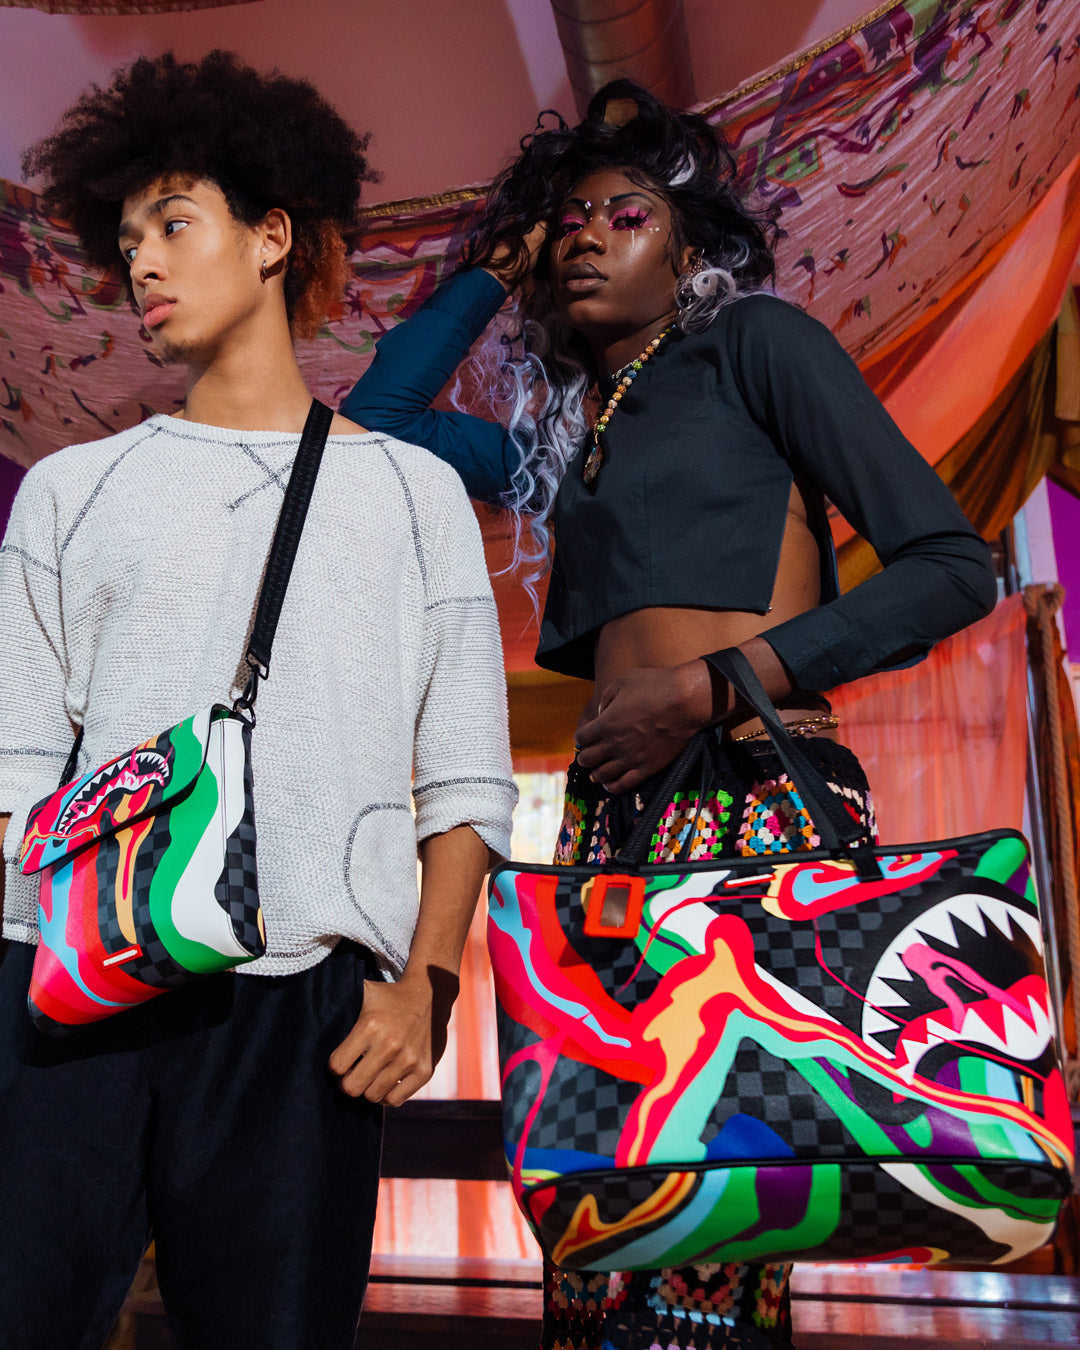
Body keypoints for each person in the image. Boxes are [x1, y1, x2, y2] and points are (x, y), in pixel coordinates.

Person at [343, 81, 997, 1350]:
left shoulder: (756, 345)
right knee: (604, 1201)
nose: (586, 236)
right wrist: (495, 266)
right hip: (610, 824)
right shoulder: (561, 433)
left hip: (754, 788)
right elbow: (375, 426)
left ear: (693, 246)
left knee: (728, 1199)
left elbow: (950, 568)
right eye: (568, 222)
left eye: (625, 215)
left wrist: (707, 686)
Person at [0, 51, 515, 1350]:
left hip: (302, 1004)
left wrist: (425, 984)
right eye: (129, 240)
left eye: (174, 224)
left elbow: (465, 779)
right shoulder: (69, 491)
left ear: (274, 235)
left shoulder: (412, 495)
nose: (144, 263)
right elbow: (13, 763)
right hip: (69, 988)